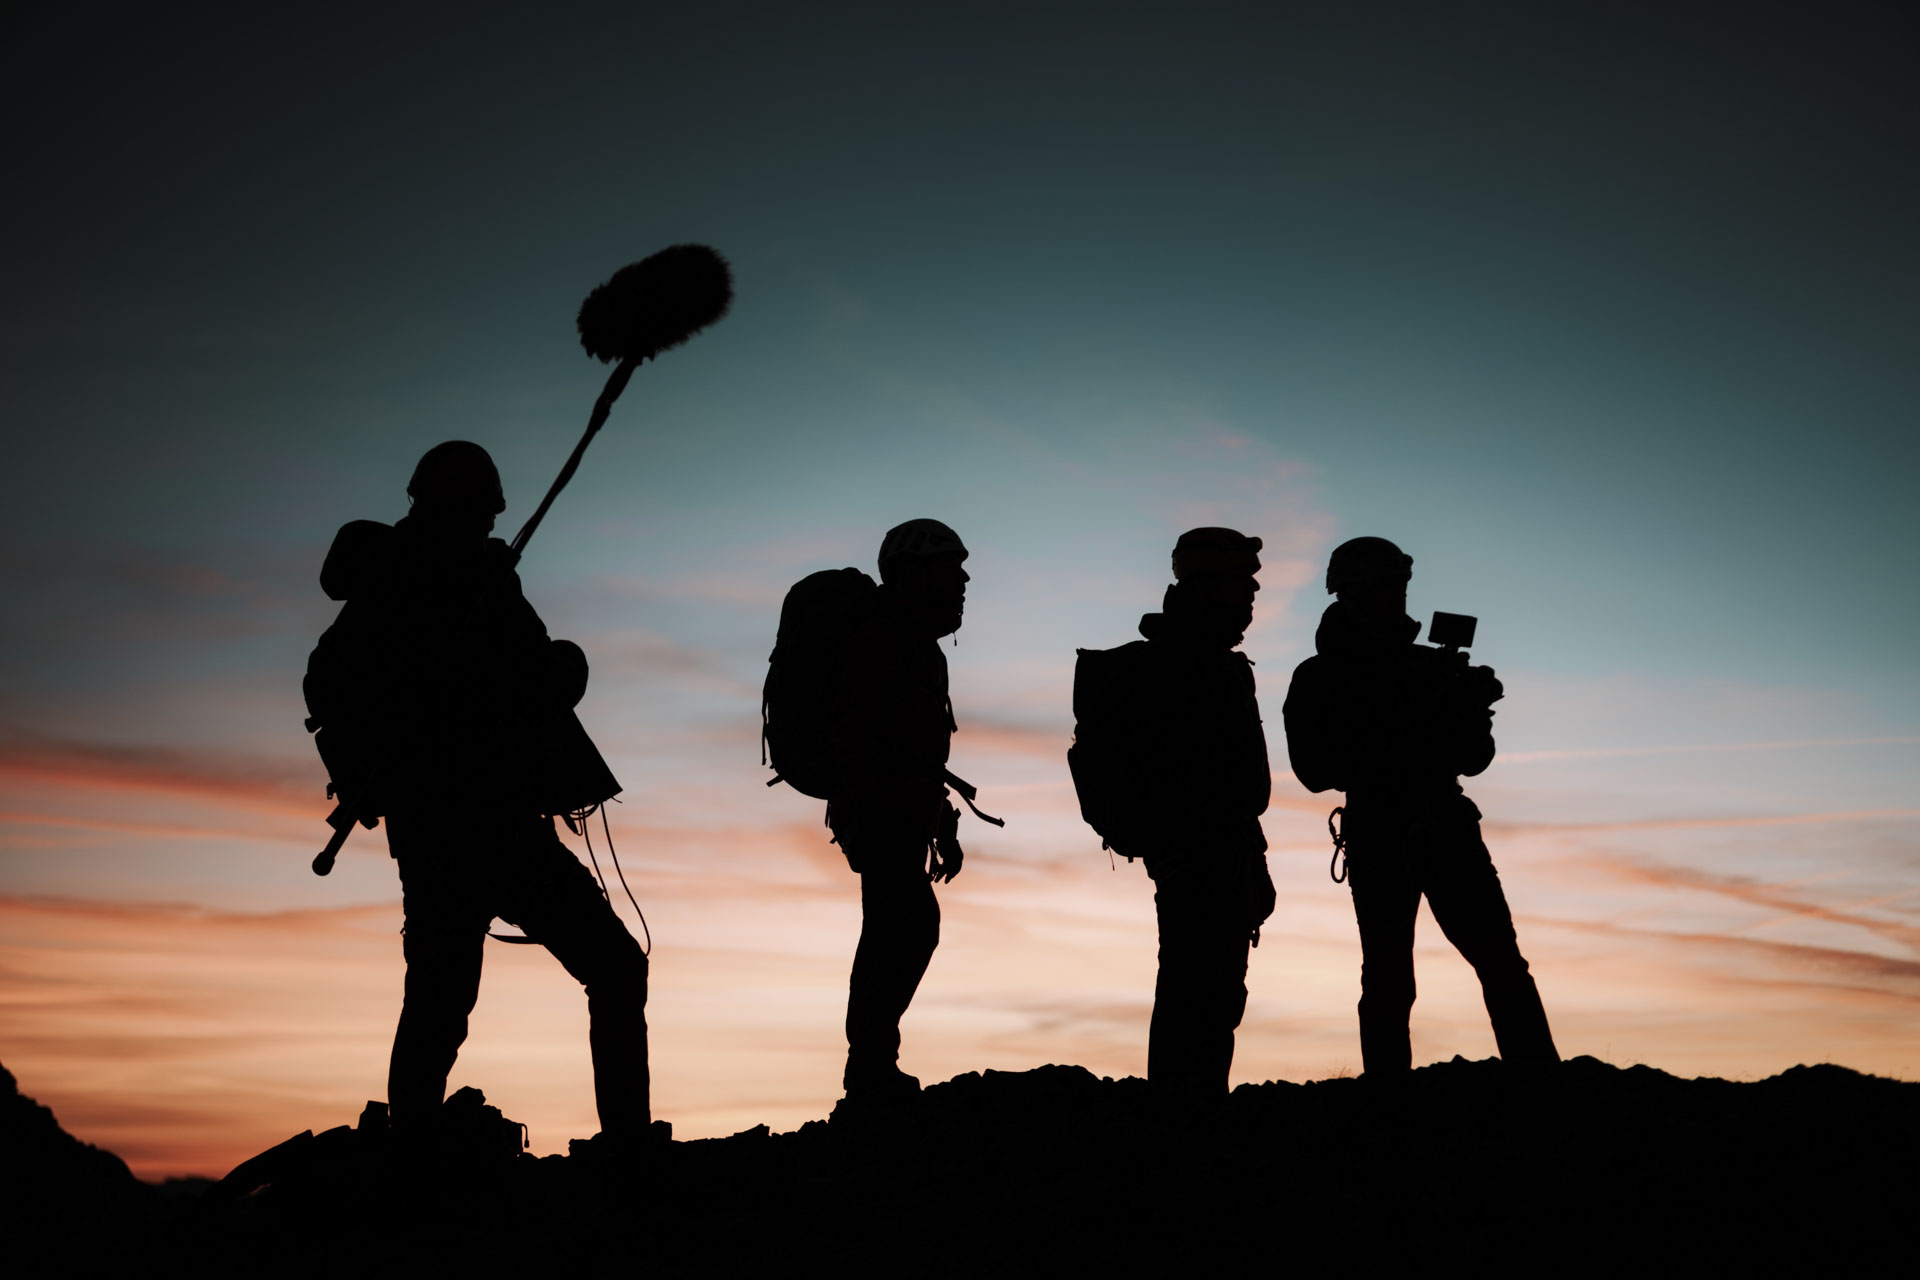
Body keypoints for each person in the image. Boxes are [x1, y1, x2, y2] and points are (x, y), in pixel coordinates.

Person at [304, 441, 652, 1145]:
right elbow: (524, 677)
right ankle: (619, 1148)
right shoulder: (408, 585)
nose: (491, 523)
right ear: (454, 506)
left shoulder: (473, 581)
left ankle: (423, 1151)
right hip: (469, 829)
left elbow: (529, 676)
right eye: (482, 511)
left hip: (473, 827)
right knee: (565, 978)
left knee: (447, 1001)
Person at [1282, 536, 1557, 1076]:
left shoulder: (1432, 667)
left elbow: (1474, 759)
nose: (1396, 598)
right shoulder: (1320, 676)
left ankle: (1541, 1087)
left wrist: (1471, 710)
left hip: (1442, 824)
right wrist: (1411, 722)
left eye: (1398, 587)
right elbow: (1315, 771)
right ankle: (1390, 1101)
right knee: (1390, 978)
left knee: (1500, 965)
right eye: (1384, 587)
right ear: (1351, 594)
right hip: (1382, 833)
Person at [1069, 528, 1275, 1100]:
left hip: (1214, 854)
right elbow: (1200, 777)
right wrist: (1192, 847)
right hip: (1197, 858)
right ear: (1209, 584)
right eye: (1242, 582)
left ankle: (1187, 1108)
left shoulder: (1207, 660)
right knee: (1198, 993)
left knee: (1208, 995)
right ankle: (1182, 1117)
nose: (1252, 595)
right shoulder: (1184, 664)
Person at [829, 518, 974, 1103]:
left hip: (900, 814)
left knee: (897, 928)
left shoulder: (919, 646)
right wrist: (879, 809)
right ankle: (869, 1071)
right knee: (904, 926)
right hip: (880, 812)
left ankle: (871, 1069)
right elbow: (868, 737)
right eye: (951, 568)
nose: (963, 581)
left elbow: (919, 751)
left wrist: (940, 822)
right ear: (914, 573)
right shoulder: (883, 639)